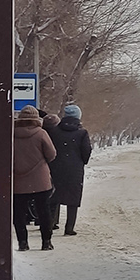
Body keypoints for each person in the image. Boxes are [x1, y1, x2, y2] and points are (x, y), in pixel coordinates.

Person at [13, 105, 56, 250]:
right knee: (43, 211)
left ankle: (23, 243)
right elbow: (51, 154)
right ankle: (46, 242)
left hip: (17, 180)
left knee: (19, 213)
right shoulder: (41, 134)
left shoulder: (11, 134)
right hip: (40, 180)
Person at [48, 103, 93, 236]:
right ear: (78, 117)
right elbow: (86, 151)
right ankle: (69, 228)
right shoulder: (82, 133)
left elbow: (49, 149)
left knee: (54, 197)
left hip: (55, 167)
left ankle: (49, 225)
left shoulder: (54, 131)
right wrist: (82, 162)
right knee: (73, 198)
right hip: (74, 169)